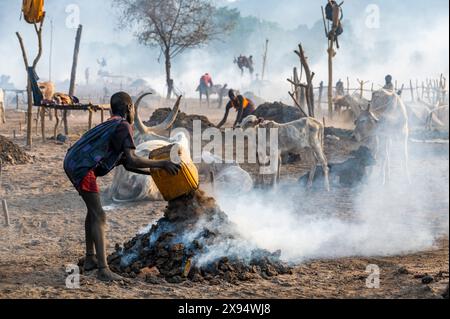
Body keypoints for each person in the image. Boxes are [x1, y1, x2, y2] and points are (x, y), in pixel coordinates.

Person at [63, 92, 180, 282]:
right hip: (82, 167)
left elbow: (128, 163)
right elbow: (133, 158)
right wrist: (163, 163)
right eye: (133, 108)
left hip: (74, 162)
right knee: (99, 215)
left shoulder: (113, 124)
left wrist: (154, 173)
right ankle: (103, 269)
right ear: (129, 108)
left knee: (92, 211)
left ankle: (91, 259)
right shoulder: (124, 125)